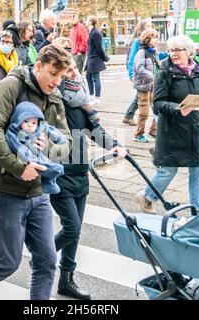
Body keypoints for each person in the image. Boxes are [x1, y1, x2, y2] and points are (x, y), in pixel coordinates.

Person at [0, 44, 72, 300]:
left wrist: (50, 146)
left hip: (39, 191)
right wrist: (19, 167)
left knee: (47, 261)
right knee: (8, 261)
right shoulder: (11, 85)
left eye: (61, 76)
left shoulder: (54, 97)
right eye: (52, 73)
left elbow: (68, 141)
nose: (56, 81)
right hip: (5, 188)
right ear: (38, 65)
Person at [50, 57, 127, 300]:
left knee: (76, 230)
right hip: (59, 172)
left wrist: (114, 145)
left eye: (74, 69)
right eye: (66, 71)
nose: (72, 74)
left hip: (80, 170)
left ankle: (66, 280)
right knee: (71, 227)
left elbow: (94, 130)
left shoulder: (83, 102)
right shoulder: (53, 101)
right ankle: (44, 257)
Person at [136, 35, 199, 214]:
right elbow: (158, 103)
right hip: (172, 129)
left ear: (188, 51)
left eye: (178, 50)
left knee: (197, 170)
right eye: (171, 50)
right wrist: (178, 108)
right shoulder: (165, 72)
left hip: (193, 128)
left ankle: (198, 211)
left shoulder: (198, 71)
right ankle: (147, 196)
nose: (173, 54)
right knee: (169, 170)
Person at [6, 101, 66, 194]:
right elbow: (18, 147)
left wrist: (59, 138)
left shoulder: (40, 126)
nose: (30, 125)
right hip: (26, 157)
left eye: (33, 122)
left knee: (48, 163)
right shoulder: (13, 132)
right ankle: (49, 171)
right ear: (18, 120)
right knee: (45, 166)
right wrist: (29, 158)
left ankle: (49, 183)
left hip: (39, 154)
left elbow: (51, 130)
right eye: (26, 121)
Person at [123, 19, 152, 126]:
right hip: (140, 74)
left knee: (140, 94)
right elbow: (131, 59)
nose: (150, 28)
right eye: (147, 26)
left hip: (145, 73)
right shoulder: (137, 41)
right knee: (142, 94)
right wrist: (131, 74)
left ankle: (128, 116)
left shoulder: (146, 42)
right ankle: (129, 116)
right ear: (142, 29)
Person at [133, 28, 159, 143]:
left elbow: (157, 65)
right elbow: (139, 68)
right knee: (144, 112)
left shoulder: (154, 51)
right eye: (154, 38)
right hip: (144, 86)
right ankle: (138, 134)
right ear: (147, 39)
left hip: (154, 85)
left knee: (157, 109)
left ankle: (154, 130)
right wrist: (152, 76)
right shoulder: (141, 52)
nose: (156, 40)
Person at [85, 15, 109, 106]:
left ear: (91, 22)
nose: (85, 21)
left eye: (87, 20)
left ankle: (97, 99)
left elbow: (99, 48)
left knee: (95, 78)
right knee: (88, 77)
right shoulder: (91, 32)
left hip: (95, 59)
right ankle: (92, 97)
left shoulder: (95, 33)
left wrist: (105, 58)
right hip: (91, 58)